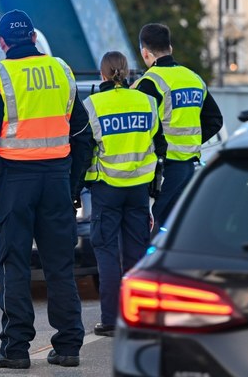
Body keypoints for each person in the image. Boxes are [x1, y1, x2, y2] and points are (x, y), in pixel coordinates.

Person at [0, 9, 92, 369]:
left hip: (16, 182)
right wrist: (73, 185)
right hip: (56, 180)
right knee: (59, 265)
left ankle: (16, 348)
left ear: (3, 42)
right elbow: (82, 135)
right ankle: (68, 346)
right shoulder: (62, 70)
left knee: (13, 264)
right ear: (34, 38)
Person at [82, 51, 167, 337]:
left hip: (106, 188)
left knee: (106, 253)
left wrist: (75, 186)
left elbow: (83, 150)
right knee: (136, 253)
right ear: (127, 72)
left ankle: (110, 319)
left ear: (102, 74)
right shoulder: (147, 102)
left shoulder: (92, 105)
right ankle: (138, 317)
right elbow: (160, 144)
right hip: (138, 190)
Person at [134, 23, 223, 228]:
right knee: (177, 226)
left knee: (149, 225)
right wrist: (191, 141)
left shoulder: (149, 82)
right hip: (188, 167)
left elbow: (142, 128)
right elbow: (215, 120)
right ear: (170, 48)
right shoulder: (194, 78)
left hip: (161, 170)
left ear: (145, 53)